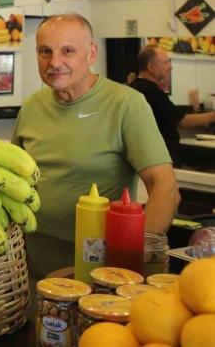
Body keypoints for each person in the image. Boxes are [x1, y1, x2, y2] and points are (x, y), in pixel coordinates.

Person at [12, 13, 180, 243]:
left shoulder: (126, 103)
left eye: (68, 51)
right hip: (26, 258)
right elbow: (12, 179)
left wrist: (137, 253)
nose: (54, 62)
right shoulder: (32, 105)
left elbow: (165, 187)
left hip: (97, 264)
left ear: (91, 54)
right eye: (45, 51)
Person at [130, 45, 215, 163]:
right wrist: (213, 116)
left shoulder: (136, 86)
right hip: (163, 155)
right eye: (166, 63)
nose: (170, 66)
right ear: (151, 67)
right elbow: (182, 121)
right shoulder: (151, 90)